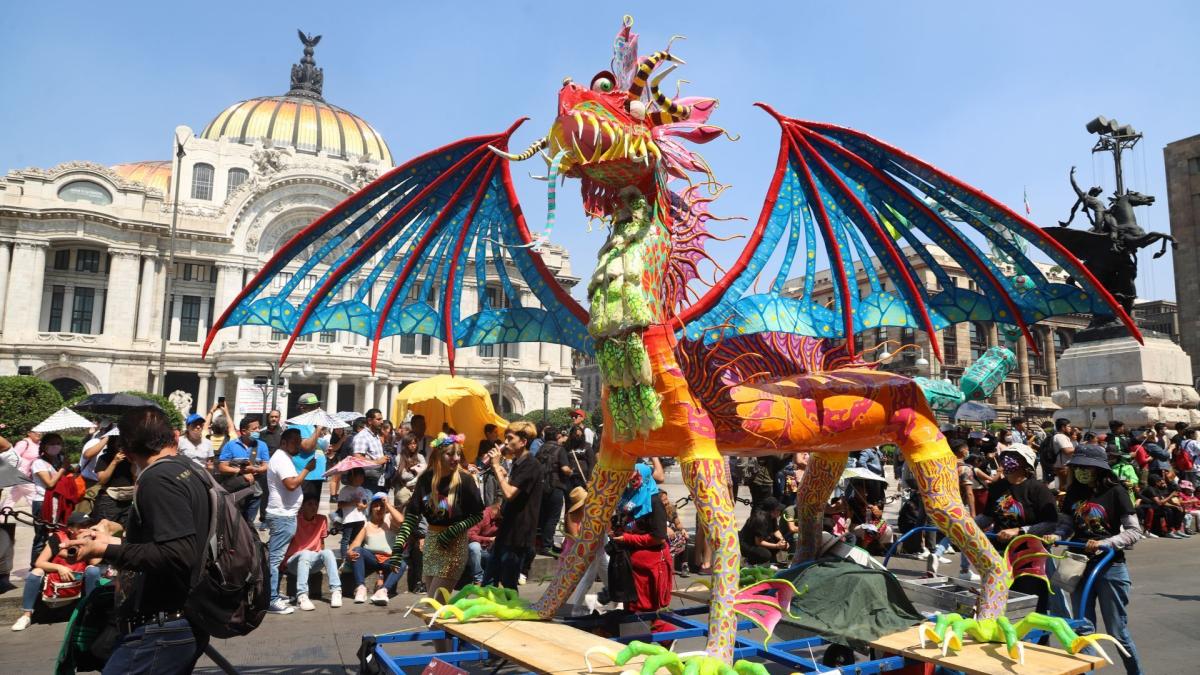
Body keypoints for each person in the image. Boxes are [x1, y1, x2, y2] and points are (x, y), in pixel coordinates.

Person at [63, 406, 213, 674]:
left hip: (162, 627)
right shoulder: (191, 469)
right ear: (176, 437)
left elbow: (177, 554)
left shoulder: (158, 479)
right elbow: (174, 538)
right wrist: (115, 536)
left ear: (128, 451)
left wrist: (103, 549)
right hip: (184, 620)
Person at [1062, 443, 1144, 675]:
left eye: (1086, 467)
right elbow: (1067, 523)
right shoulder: (1073, 492)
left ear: (1100, 469)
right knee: (1083, 630)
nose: (1081, 471)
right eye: (1077, 466)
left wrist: (1103, 543)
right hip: (1078, 563)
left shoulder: (1116, 491)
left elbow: (1134, 531)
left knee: (1117, 632)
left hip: (1110, 567)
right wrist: (1056, 534)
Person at [386, 433, 483, 611]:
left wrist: (453, 531)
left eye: (458, 454)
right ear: (438, 455)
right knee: (437, 608)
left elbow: (478, 514)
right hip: (431, 543)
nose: (455, 458)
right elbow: (411, 517)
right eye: (450, 454)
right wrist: (398, 550)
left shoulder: (466, 480)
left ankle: (447, 638)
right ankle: (447, 639)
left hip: (454, 545)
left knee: (432, 604)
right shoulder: (425, 479)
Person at [982, 444, 1060, 612]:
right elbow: (988, 516)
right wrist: (965, 525)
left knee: (1030, 602)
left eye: (1014, 456)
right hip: (1001, 554)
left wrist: (1020, 530)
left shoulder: (1038, 489)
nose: (1007, 460)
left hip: (1030, 556)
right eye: (1006, 455)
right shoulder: (997, 487)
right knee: (1002, 602)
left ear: (1026, 463)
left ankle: (1038, 638)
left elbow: (1051, 522)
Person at [11, 511, 104, 631]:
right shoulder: (57, 538)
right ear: (70, 528)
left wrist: (96, 544)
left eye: (87, 526)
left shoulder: (91, 540)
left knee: (94, 571)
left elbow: (94, 562)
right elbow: (39, 562)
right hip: (55, 580)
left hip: (78, 578)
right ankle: (26, 615)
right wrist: (60, 568)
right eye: (81, 526)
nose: (85, 529)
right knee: (35, 573)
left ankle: (91, 612)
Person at [611, 462, 674, 632]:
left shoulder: (654, 501)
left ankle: (668, 638)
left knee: (647, 610)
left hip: (651, 567)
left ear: (645, 478)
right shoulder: (628, 497)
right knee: (632, 608)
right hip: (631, 565)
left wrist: (628, 538)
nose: (632, 483)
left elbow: (658, 537)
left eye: (636, 479)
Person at [481, 420, 542, 589]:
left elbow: (509, 493)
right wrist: (502, 473)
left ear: (523, 441)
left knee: (508, 583)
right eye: (505, 438)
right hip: (508, 528)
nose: (505, 442)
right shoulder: (517, 463)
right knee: (488, 580)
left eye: (509, 438)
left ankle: (509, 612)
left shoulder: (531, 464)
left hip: (519, 533)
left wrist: (495, 466)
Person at [265, 428, 317, 615]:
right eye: (294, 441)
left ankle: (274, 594)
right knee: (275, 559)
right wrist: (307, 469)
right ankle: (270, 599)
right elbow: (291, 484)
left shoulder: (285, 458)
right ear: (284, 443)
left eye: (299, 441)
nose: (298, 444)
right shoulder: (280, 458)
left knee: (277, 559)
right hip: (282, 516)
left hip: (286, 515)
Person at [284, 495, 342, 610]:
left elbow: (321, 542)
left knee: (328, 552)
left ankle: (336, 591)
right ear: (302, 507)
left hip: (312, 561)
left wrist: (322, 556)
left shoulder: (322, 519)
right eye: (309, 504)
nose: (314, 507)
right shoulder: (294, 520)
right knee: (305, 553)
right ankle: (302, 595)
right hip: (294, 562)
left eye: (315, 504)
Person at [348, 493, 405, 604]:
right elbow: (356, 543)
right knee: (357, 550)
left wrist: (387, 504)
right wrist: (350, 552)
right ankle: (361, 588)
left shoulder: (389, 520)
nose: (379, 509)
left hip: (389, 560)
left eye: (381, 506)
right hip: (372, 558)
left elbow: (401, 521)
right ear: (371, 508)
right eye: (376, 506)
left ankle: (383, 591)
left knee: (402, 563)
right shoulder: (366, 524)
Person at [217, 415, 270, 525]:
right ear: (244, 431)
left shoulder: (262, 445)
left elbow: (266, 467)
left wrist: (254, 469)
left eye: (258, 428)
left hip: (256, 492)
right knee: (234, 522)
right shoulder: (231, 445)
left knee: (248, 523)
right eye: (254, 429)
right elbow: (222, 467)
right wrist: (240, 472)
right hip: (236, 492)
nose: (258, 431)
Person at [286, 394, 330, 501]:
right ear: (302, 408)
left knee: (312, 512)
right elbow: (307, 447)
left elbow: (316, 446)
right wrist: (319, 428)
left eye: (318, 405)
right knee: (304, 511)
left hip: (317, 475)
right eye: (314, 406)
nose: (318, 409)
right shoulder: (296, 425)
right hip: (305, 476)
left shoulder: (312, 425)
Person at [535, 426, 570, 556]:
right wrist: (571, 472)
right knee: (553, 517)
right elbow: (565, 469)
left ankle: (541, 544)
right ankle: (546, 545)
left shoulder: (540, 449)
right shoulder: (560, 450)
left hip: (541, 487)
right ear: (557, 437)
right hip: (556, 487)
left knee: (543, 516)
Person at [0, 430, 41, 513]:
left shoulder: (38, 444)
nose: (38, 433)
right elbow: (14, 456)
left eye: (39, 432)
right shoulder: (23, 443)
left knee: (12, 497)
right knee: (32, 493)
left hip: (28, 474)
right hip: (20, 472)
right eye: (35, 432)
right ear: (29, 433)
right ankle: (40, 515)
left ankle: (3, 515)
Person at [335, 468, 371, 562]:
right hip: (349, 519)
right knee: (346, 539)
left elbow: (365, 503)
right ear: (352, 477)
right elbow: (340, 505)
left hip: (360, 518)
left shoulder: (362, 489)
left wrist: (363, 506)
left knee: (359, 538)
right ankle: (344, 558)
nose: (361, 480)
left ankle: (358, 556)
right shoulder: (345, 490)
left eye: (362, 478)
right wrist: (351, 503)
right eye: (359, 477)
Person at [740, 497, 788, 565]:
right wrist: (777, 546)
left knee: (780, 543)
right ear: (772, 511)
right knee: (765, 554)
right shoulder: (760, 519)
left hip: (759, 540)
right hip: (747, 544)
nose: (780, 512)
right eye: (778, 510)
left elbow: (776, 531)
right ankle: (748, 561)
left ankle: (771, 560)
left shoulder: (772, 517)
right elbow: (758, 542)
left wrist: (782, 541)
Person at [1138, 472, 1186, 539]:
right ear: (1155, 482)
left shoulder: (1157, 489)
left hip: (1156, 507)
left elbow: (1164, 502)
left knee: (1178, 509)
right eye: (1159, 481)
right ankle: (1169, 532)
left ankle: (1177, 530)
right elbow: (1159, 503)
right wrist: (1171, 495)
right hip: (1148, 508)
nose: (1161, 482)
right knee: (1168, 511)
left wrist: (1175, 506)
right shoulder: (1150, 489)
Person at [465, 499, 502, 585]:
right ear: (499, 508)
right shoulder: (483, 515)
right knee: (474, 547)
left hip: (489, 550)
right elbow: (470, 535)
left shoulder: (501, 519)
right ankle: (478, 578)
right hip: (477, 547)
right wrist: (489, 539)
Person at [352, 409, 388, 489]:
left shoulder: (375, 435)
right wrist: (376, 462)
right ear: (370, 421)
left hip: (378, 477)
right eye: (378, 419)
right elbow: (357, 458)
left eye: (382, 419)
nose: (382, 422)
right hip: (368, 479)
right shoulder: (362, 436)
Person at [659, 490, 690, 577]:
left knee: (684, 537)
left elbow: (678, 524)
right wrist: (665, 529)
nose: (666, 502)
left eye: (666, 499)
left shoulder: (671, 508)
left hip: (672, 537)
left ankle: (685, 565)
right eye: (663, 500)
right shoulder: (654, 511)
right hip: (661, 536)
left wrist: (683, 530)